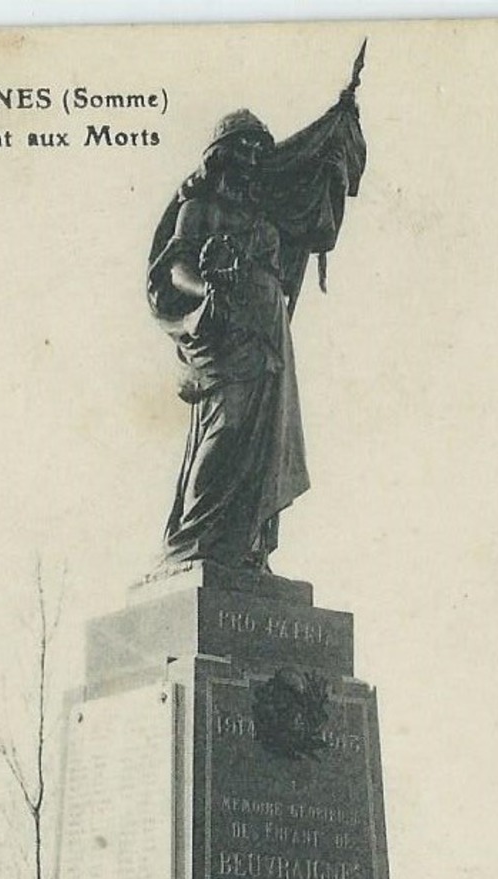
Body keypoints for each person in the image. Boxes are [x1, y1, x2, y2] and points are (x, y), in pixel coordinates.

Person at [147, 58, 366, 572]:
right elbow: (175, 266)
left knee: (267, 446)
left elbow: (313, 207)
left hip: (269, 332)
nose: (254, 154)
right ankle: (190, 547)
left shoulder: (268, 215)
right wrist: (207, 294)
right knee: (224, 436)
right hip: (226, 329)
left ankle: (249, 553)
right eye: (244, 145)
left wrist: (336, 133)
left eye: (260, 147)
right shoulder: (199, 207)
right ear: (222, 154)